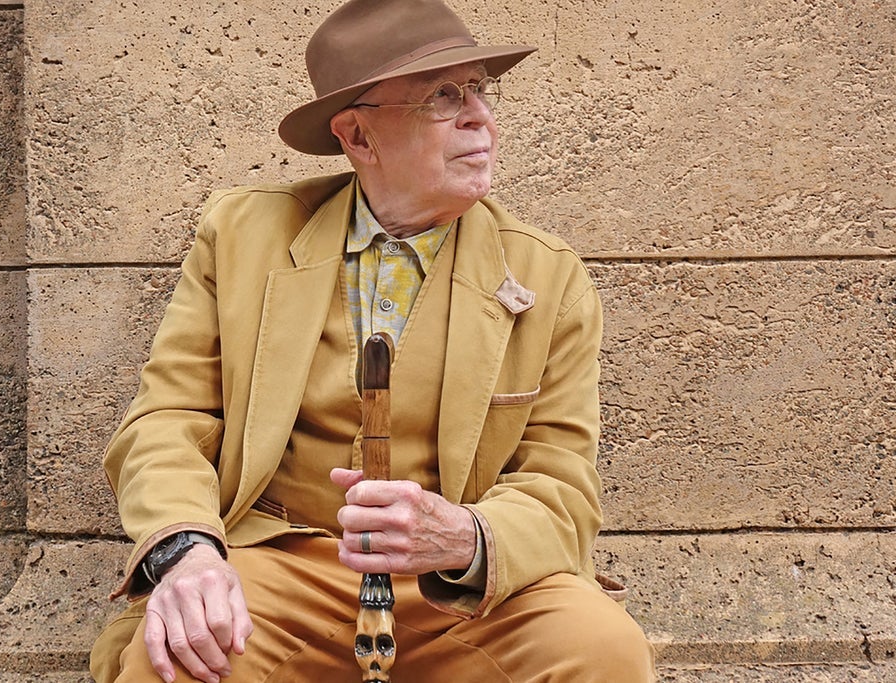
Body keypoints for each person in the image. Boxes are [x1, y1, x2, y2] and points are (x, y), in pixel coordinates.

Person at [90, 0, 655, 681]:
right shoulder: (242, 238)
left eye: (479, 89)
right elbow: (166, 421)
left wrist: (465, 536)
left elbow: (562, 482)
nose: (481, 116)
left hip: (458, 591)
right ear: (358, 135)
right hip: (278, 566)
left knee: (604, 652)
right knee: (180, 659)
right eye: (442, 96)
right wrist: (189, 551)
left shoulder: (545, 274)